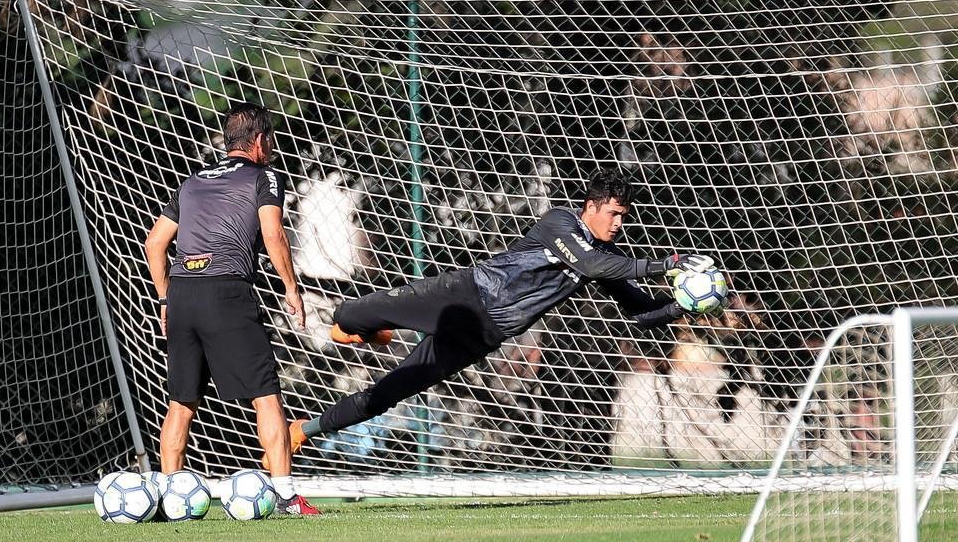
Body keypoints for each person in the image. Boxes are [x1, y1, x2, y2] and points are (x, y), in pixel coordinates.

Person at [288, 168, 719, 453]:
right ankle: (357, 327)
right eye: (613, 213)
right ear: (591, 206)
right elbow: (588, 263)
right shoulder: (560, 224)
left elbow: (638, 312)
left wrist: (679, 306)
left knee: (387, 394)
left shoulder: (603, 257)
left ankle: (302, 431)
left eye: (624, 215)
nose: (618, 223)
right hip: (464, 295)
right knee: (354, 312)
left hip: (481, 335)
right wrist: (667, 264)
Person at [144, 102, 319, 515]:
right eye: (271, 140)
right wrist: (292, 289)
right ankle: (286, 497)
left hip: (183, 293)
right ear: (259, 141)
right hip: (227, 292)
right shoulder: (264, 176)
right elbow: (273, 232)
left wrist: (166, 298)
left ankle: (171, 496)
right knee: (266, 396)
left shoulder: (192, 180)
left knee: (181, 401)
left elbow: (155, 244)